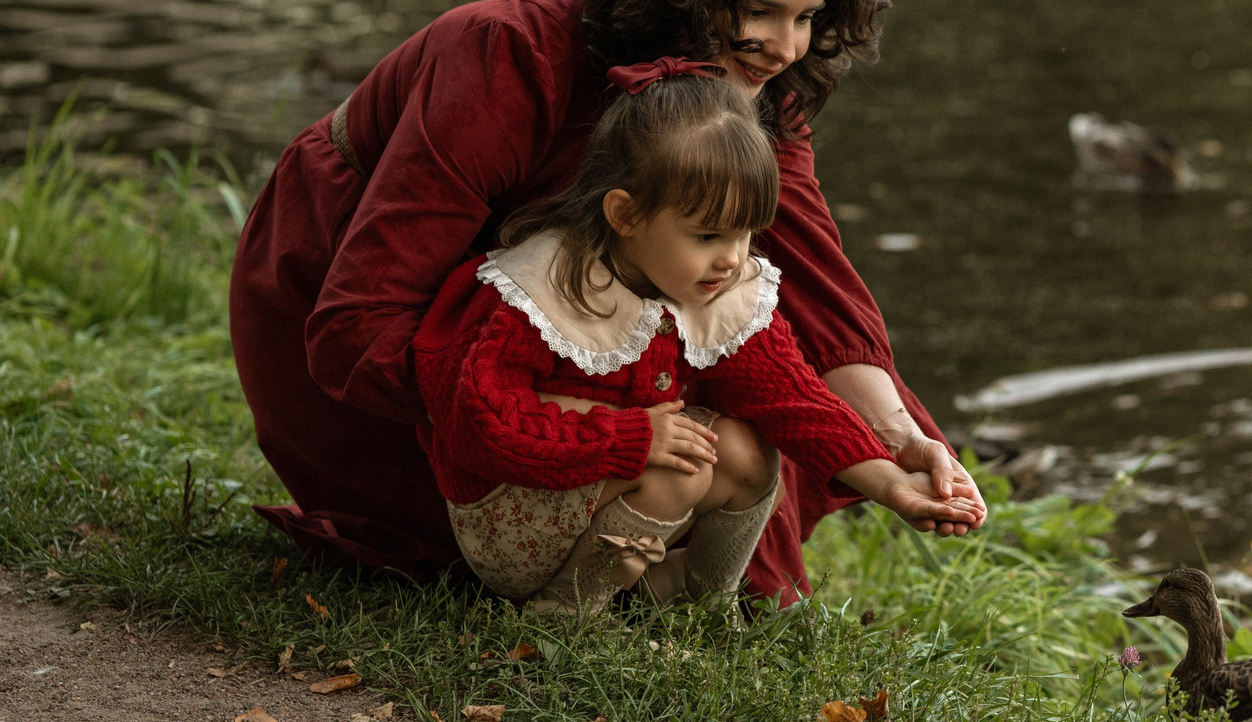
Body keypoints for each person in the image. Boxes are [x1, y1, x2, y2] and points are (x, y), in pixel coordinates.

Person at [230, 0, 981, 602]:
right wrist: (580, 413)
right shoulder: (506, 54)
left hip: (572, 309)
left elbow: (815, 300)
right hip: (354, 272)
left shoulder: (753, 98)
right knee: (469, 558)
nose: (784, 47)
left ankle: (643, 569)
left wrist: (894, 438)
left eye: (805, 19)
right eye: (758, 11)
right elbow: (360, 321)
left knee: (732, 365)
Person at [415, 60, 975, 615]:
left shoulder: (715, 290)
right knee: (678, 467)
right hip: (510, 520)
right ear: (626, 215)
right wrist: (629, 438)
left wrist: (892, 485)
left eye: (745, 233)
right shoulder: (542, 290)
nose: (731, 259)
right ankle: (566, 612)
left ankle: (701, 603)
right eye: (707, 234)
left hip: (598, 498)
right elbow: (478, 425)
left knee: (747, 450)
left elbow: (797, 403)